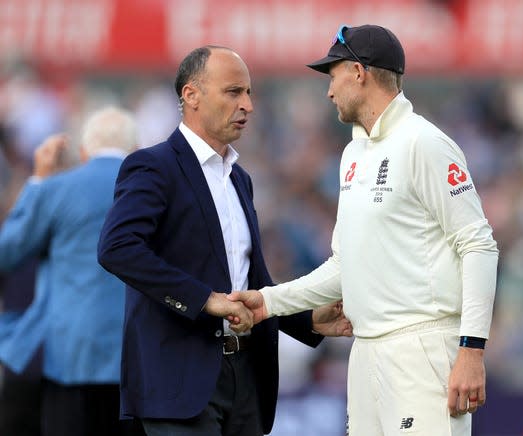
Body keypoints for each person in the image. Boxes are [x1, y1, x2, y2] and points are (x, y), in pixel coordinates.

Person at [229, 25, 499, 436]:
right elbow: (345, 265)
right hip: (365, 354)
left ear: (358, 72)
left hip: (421, 349)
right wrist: (269, 302)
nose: (329, 91)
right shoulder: (353, 154)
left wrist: (472, 350)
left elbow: (478, 245)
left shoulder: (424, 142)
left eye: (332, 75)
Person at [97, 45, 351, 436]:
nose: (248, 104)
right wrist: (204, 298)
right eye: (234, 92)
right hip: (180, 381)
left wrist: (308, 321)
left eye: (249, 93)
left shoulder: (239, 179)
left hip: (245, 378)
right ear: (191, 95)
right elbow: (117, 247)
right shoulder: (153, 165)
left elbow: (253, 281)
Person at [0, 106, 143, 436]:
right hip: (138, 359)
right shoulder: (157, 191)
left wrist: (37, 181)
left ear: (82, 152)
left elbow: (7, 252)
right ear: (136, 149)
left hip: (70, 356)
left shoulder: (56, 189)